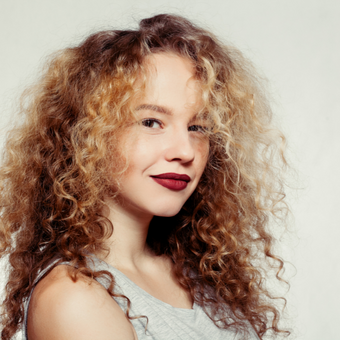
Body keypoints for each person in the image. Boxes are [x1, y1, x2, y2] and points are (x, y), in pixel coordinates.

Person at [0, 14, 289, 340]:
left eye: (198, 127)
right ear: (89, 135)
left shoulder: (199, 274)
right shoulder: (74, 300)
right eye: (151, 122)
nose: (185, 151)